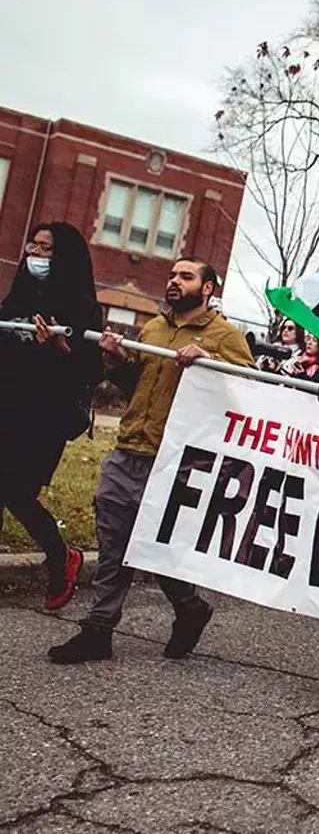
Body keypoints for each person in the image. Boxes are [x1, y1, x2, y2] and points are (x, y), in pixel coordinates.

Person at [48, 258, 253, 664]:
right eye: (173, 275)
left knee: (155, 549)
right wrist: (116, 361)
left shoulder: (225, 335)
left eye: (186, 276)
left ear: (208, 288)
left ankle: (190, 607)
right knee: (113, 545)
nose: (174, 281)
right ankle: (99, 629)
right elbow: (134, 386)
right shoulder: (153, 329)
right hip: (128, 450)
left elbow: (250, 390)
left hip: (174, 459)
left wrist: (212, 362)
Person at [0, 223, 103, 610]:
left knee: (17, 493)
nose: (35, 254)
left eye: (46, 248)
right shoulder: (18, 295)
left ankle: (62, 559)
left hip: (44, 417)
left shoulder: (81, 306)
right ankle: (60, 560)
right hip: (6, 404)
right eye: (34, 245)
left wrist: (61, 348)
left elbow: (92, 370)